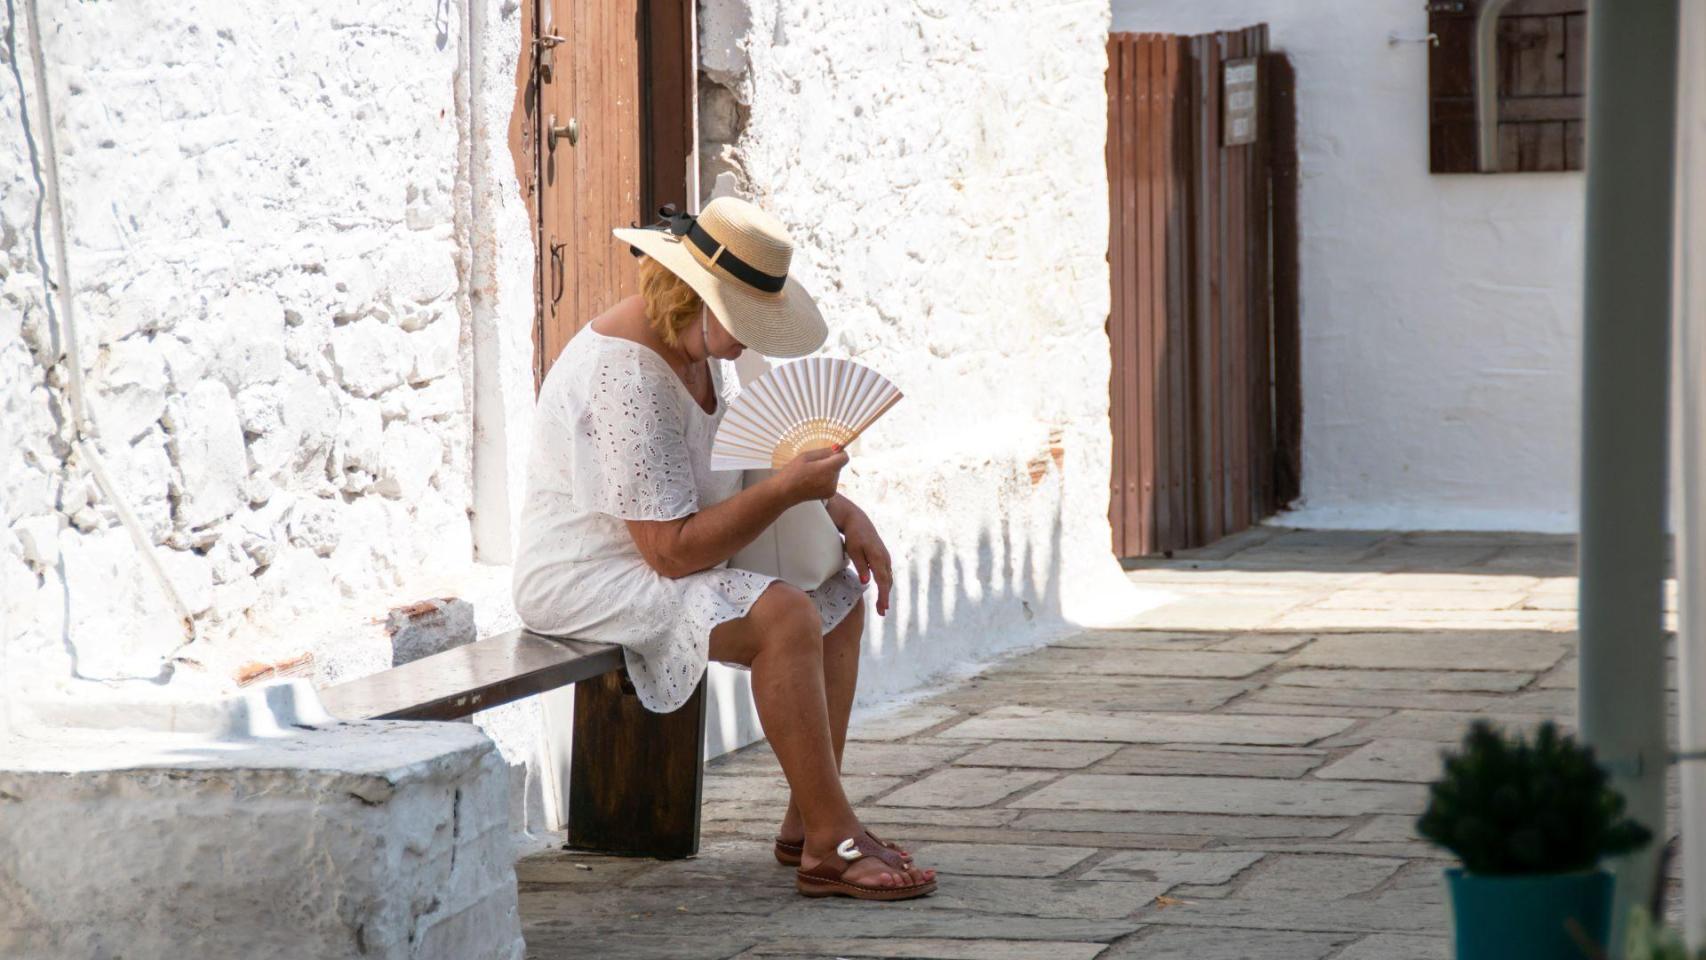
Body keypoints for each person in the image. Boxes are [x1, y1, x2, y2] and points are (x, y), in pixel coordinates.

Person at [513, 196, 936, 901]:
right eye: (741, 322)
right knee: (785, 616)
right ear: (690, 294)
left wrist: (841, 509)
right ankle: (834, 843)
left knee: (835, 592)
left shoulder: (696, 343)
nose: (747, 342)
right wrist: (788, 493)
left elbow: (753, 456)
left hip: (667, 546)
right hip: (588, 573)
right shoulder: (627, 376)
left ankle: (811, 821)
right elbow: (669, 555)